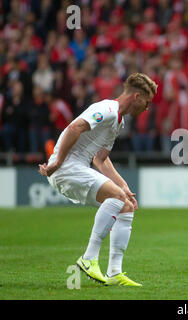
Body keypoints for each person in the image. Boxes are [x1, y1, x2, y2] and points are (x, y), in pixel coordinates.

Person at [38, 73, 157, 287]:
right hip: (67, 168)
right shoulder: (107, 109)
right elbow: (75, 127)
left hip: (78, 167)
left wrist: (124, 186)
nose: (146, 108)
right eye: (146, 103)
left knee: (126, 204)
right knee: (117, 198)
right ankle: (89, 258)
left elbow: (100, 159)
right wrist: (56, 163)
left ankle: (114, 273)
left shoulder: (118, 122)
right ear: (137, 96)